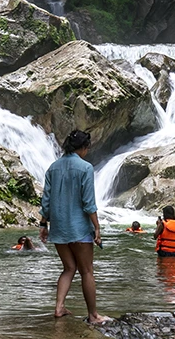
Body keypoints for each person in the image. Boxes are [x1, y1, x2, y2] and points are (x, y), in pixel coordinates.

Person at [39, 129, 110, 325]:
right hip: (79, 228)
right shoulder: (85, 168)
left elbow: (46, 202)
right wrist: (97, 227)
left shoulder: (52, 168)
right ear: (84, 148)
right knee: (86, 271)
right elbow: (88, 203)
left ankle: (59, 307)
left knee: (68, 268)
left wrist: (43, 224)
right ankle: (94, 316)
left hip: (59, 228)